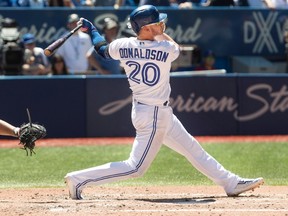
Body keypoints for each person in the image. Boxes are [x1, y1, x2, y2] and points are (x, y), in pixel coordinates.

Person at [65, 5, 264, 200]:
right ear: (146, 28)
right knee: (135, 167)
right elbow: (173, 46)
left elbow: (101, 49)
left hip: (153, 112)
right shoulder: (166, 47)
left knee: (193, 149)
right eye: (157, 23)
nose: (163, 25)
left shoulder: (122, 45)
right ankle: (78, 179)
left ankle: (230, 182)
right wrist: (158, 32)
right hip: (153, 115)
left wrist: (91, 29)